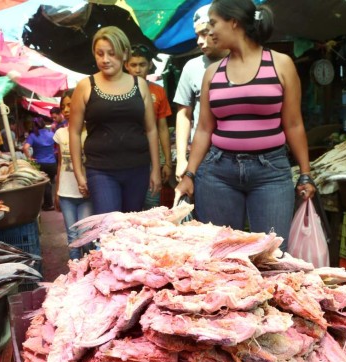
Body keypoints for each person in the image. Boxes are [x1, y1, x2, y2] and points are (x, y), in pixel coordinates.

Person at [174, 0, 316, 251]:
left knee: (271, 255)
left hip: (270, 173)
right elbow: (205, 128)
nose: (210, 31)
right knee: (221, 256)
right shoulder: (213, 73)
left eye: (214, 23)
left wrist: (305, 173)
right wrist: (189, 174)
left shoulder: (280, 64)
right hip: (218, 172)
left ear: (234, 22)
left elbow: (293, 124)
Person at [69, 26, 161, 215]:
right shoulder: (85, 86)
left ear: (124, 53)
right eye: (99, 53)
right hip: (101, 171)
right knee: (109, 227)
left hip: (138, 169)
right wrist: (79, 173)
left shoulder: (140, 85)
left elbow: (151, 130)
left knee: (131, 226)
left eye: (112, 53)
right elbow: (74, 132)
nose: (105, 59)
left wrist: (156, 169)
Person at [174, 4, 229, 180]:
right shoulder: (192, 67)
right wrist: (182, 158)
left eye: (204, 33)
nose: (199, 41)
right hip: (204, 155)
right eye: (197, 35)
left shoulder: (244, 63)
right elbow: (184, 114)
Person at [125, 44, 173, 209]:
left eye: (142, 64)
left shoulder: (158, 91)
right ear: (126, 66)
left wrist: (167, 162)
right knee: (128, 210)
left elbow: (162, 128)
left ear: (150, 65)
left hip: (151, 159)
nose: (138, 69)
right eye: (133, 65)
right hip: (125, 159)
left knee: (151, 207)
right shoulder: (118, 90)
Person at [53, 89, 94, 260]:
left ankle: (90, 271)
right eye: (63, 107)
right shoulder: (60, 133)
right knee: (72, 239)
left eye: (70, 105)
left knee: (86, 238)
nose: (67, 110)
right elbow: (61, 163)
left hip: (87, 193)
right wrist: (56, 191)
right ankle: (75, 275)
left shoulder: (91, 132)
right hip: (66, 193)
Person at [23, 117, 57, 211]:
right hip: (52, 163)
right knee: (49, 183)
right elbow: (58, 144)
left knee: (45, 184)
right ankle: (48, 203)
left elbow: (25, 148)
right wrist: (54, 151)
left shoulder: (33, 135)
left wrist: (30, 158)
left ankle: (48, 204)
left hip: (40, 163)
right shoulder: (51, 134)